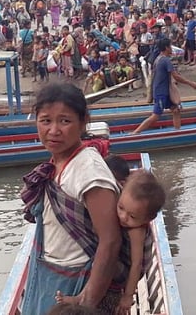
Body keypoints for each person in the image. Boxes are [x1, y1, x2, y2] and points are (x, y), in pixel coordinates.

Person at [18, 83, 123, 314]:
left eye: (64, 121)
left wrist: (87, 302)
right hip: (48, 273)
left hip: (77, 280)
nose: (54, 130)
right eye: (45, 120)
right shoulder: (58, 162)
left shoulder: (89, 171)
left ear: (84, 121)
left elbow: (110, 240)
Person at [57, 169, 166, 314]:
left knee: (104, 255)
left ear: (148, 219)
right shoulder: (121, 200)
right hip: (119, 263)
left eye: (132, 216)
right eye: (121, 208)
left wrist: (128, 296)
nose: (123, 217)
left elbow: (136, 264)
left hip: (124, 273)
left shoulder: (137, 231)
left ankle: (83, 299)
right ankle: (81, 297)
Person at [130, 38, 196, 134]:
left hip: (164, 91)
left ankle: (177, 132)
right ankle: (135, 133)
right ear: (166, 48)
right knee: (155, 116)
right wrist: (191, 83)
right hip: (161, 92)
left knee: (176, 110)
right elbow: (176, 76)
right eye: (170, 46)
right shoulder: (165, 60)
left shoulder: (158, 59)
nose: (171, 48)